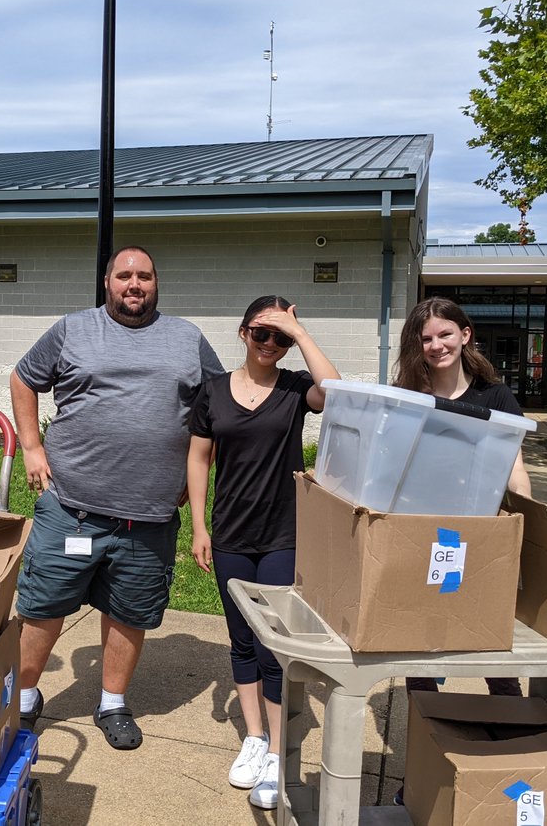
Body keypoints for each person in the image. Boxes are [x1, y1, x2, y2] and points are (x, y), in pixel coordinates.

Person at [10, 245, 224, 751]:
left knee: (131, 612)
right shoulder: (73, 329)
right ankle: (21, 698)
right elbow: (23, 378)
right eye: (124, 275)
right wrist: (31, 447)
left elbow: (219, 405)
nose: (135, 284)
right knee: (43, 607)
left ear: (156, 283)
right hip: (71, 507)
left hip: (149, 516)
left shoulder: (186, 338)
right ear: (107, 282)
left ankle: (112, 702)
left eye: (144, 276)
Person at [186, 295, 340, 810]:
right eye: (261, 332)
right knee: (241, 640)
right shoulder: (212, 392)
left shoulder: (297, 388)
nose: (269, 344)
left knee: (277, 645)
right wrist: (199, 526)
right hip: (230, 532)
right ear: (243, 332)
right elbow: (200, 458)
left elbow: (335, 392)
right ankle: (254, 737)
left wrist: (301, 333)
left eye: (279, 336)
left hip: (282, 533)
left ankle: (277, 752)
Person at [393, 297, 529, 735]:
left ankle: (512, 737)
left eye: (445, 334)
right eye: (426, 338)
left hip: (478, 537)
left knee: (489, 642)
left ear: (465, 335)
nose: (436, 345)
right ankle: (428, 746)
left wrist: (522, 532)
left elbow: (516, 470)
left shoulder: (495, 396)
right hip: (422, 537)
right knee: (421, 648)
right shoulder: (410, 397)